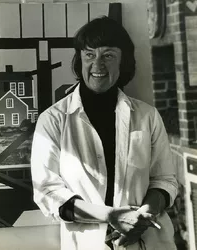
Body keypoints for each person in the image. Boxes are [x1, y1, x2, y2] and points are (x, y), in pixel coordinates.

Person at [31, 16, 178, 250]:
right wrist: (111, 215)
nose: (97, 65)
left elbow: (164, 180)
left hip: (147, 241)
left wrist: (142, 217)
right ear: (79, 60)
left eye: (108, 55)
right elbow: (47, 192)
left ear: (123, 63)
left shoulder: (147, 116)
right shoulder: (53, 120)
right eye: (89, 54)